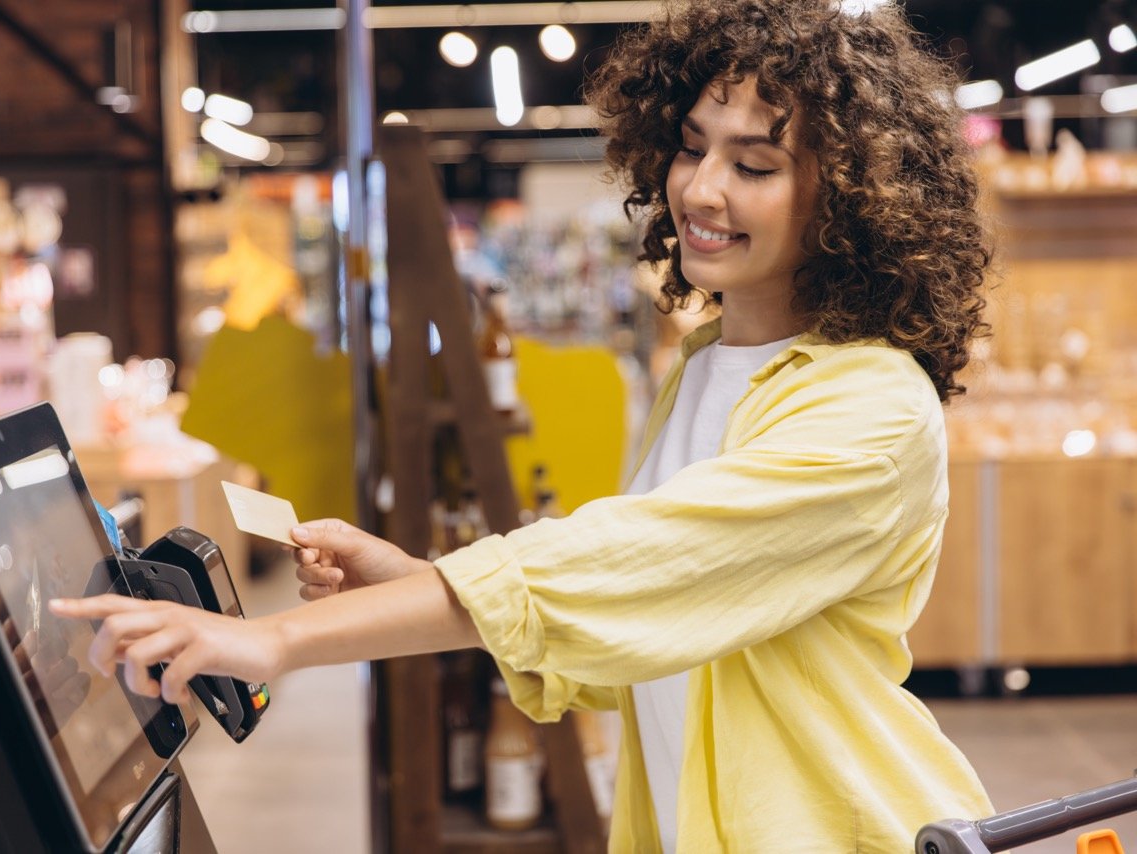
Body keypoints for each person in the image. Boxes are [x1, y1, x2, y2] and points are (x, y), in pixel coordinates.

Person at [52, 0, 996, 848]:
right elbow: (639, 626)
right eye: (691, 145)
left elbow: (640, 562)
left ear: (848, 202)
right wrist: (422, 584)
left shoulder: (871, 412)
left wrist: (277, 643)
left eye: (753, 164)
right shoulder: (706, 368)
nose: (702, 189)